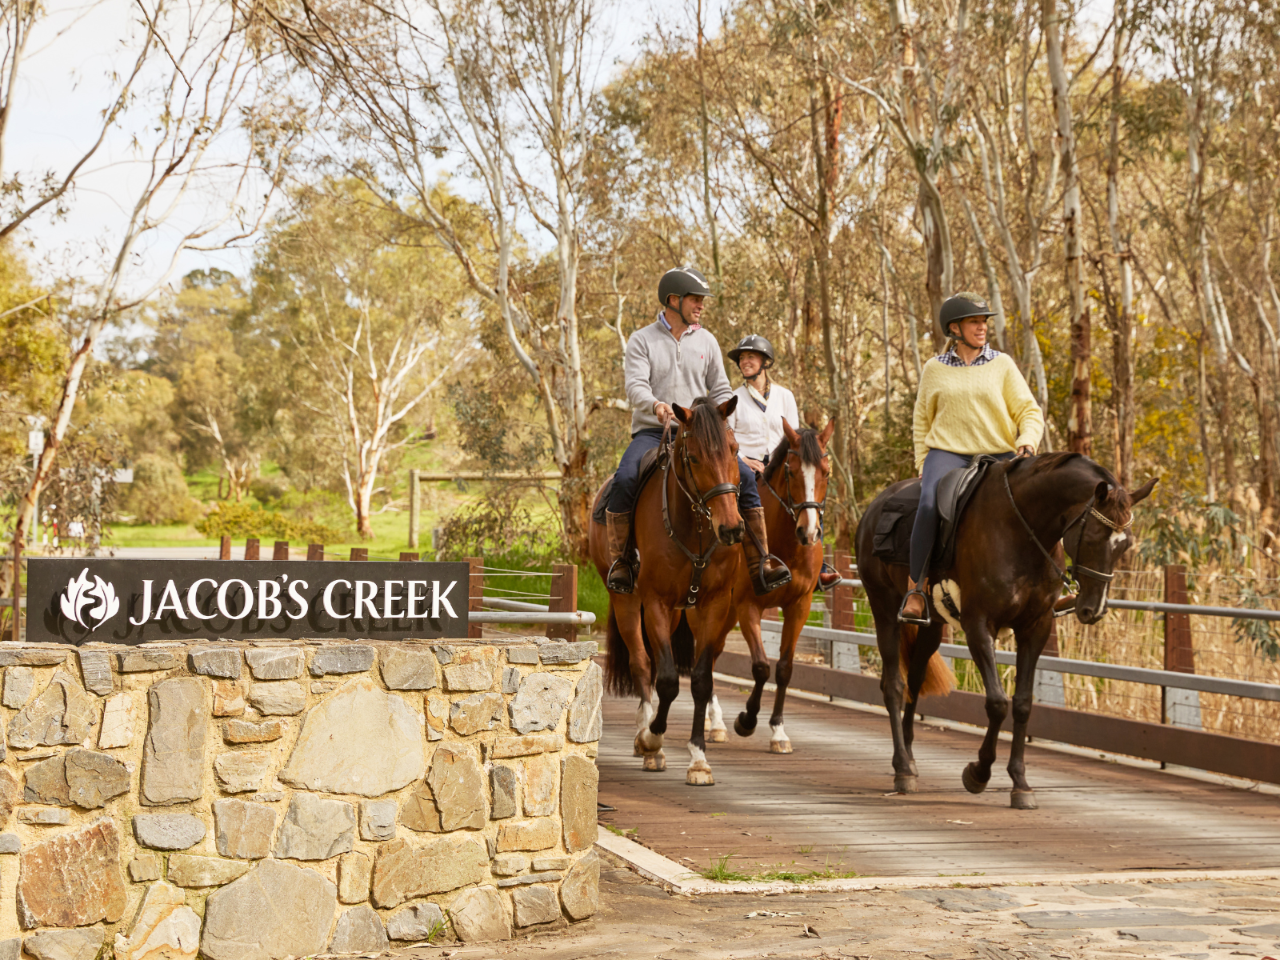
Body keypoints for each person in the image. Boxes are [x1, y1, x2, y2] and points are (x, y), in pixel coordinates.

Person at [605, 268, 791, 596]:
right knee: (624, 479)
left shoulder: (707, 341)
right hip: (654, 432)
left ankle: (760, 559)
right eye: (695, 299)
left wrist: (722, 424)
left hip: (702, 435)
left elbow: (720, 387)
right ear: (673, 300)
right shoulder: (642, 339)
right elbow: (635, 386)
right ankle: (623, 562)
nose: (700, 305)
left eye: (702, 300)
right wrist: (656, 406)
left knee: (745, 478)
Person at [899, 293, 1045, 624]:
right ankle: (916, 590)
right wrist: (924, 462)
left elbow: (1028, 410)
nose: (982, 328)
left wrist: (1027, 441)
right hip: (947, 452)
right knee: (926, 504)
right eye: (974, 322)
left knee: (1039, 500)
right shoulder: (934, 368)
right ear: (955, 329)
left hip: (998, 451)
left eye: (984, 322)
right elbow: (922, 419)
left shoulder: (1002, 363)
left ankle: (1053, 584)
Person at [727, 334, 840, 591]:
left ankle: (819, 569)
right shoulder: (734, 398)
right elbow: (728, 440)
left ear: (765, 362)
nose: (745, 362)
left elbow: (795, 437)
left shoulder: (785, 396)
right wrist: (744, 459)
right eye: (742, 358)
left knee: (809, 491)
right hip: (747, 464)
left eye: (750, 357)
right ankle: (735, 560)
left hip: (781, 463)